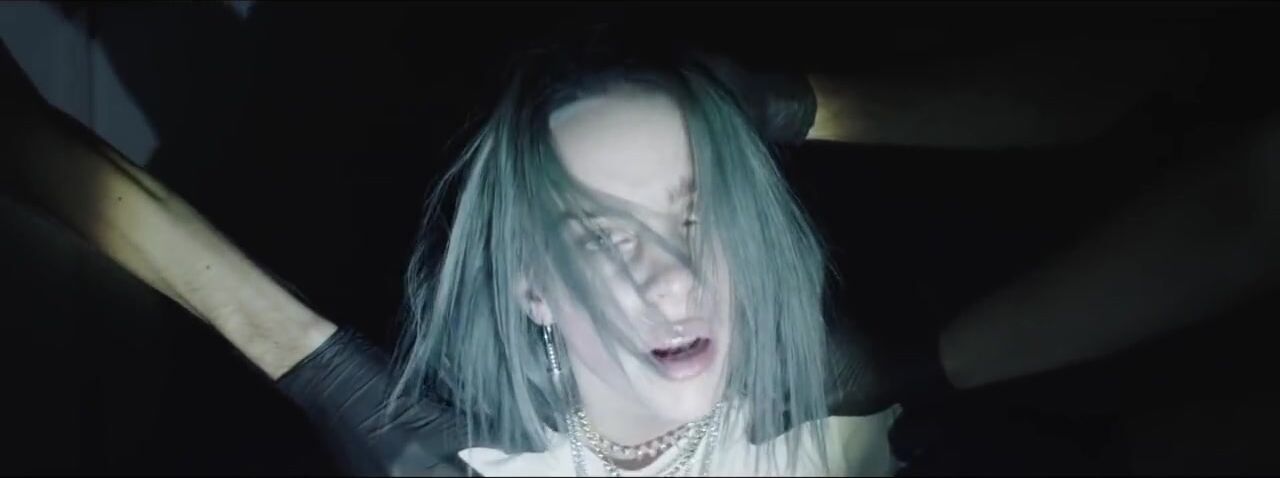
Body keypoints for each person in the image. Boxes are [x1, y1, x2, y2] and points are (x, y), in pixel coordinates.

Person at [4, 13, 1277, 475]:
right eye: (594, 234)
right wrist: (309, 360)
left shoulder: (860, 410)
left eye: (691, 211)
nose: (668, 274)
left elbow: (1206, 150)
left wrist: (804, 108)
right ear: (524, 286)